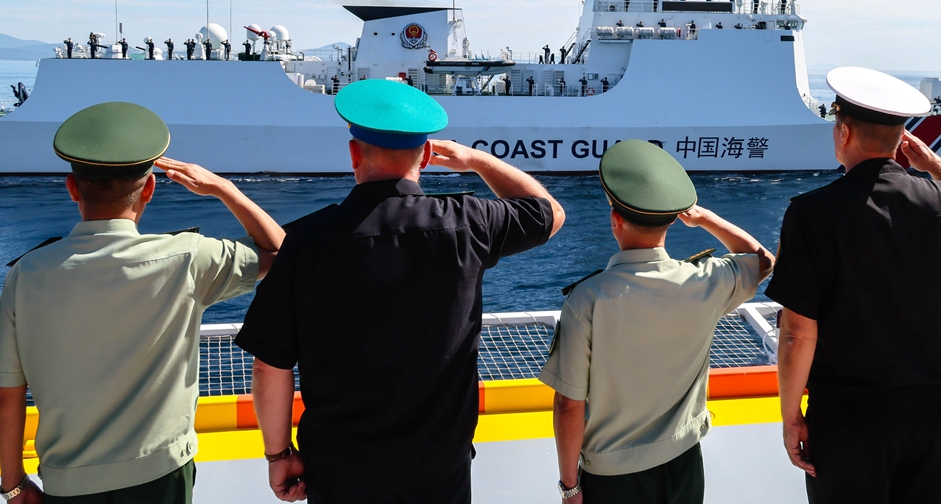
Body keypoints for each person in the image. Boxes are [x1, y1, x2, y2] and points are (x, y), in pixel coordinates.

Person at [236, 79, 564, 504]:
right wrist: (477, 161)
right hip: (440, 472)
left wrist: (278, 454)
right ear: (426, 156)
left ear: (354, 153)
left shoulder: (306, 241)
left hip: (339, 473)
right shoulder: (467, 222)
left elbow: (270, 366)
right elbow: (549, 214)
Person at [0, 102, 284, 503]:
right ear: (149, 189)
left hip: (68, 483)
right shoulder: (188, 258)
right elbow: (278, 251)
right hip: (162, 474)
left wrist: (13, 486)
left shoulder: (25, 275)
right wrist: (223, 187)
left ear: (72, 188)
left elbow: (7, 394)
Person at [768, 67, 941, 504]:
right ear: (902, 141)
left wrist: (790, 415)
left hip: (846, 420)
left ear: (844, 132)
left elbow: (798, 332)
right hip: (930, 417)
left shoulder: (812, 214)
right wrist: (936, 166)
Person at [540, 140, 773, 504]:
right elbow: (761, 261)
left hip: (613, 477)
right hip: (683, 462)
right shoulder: (705, 280)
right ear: (673, 220)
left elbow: (569, 404)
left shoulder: (589, 299)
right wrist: (705, 218)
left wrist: (570, 487)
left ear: (616, 220)